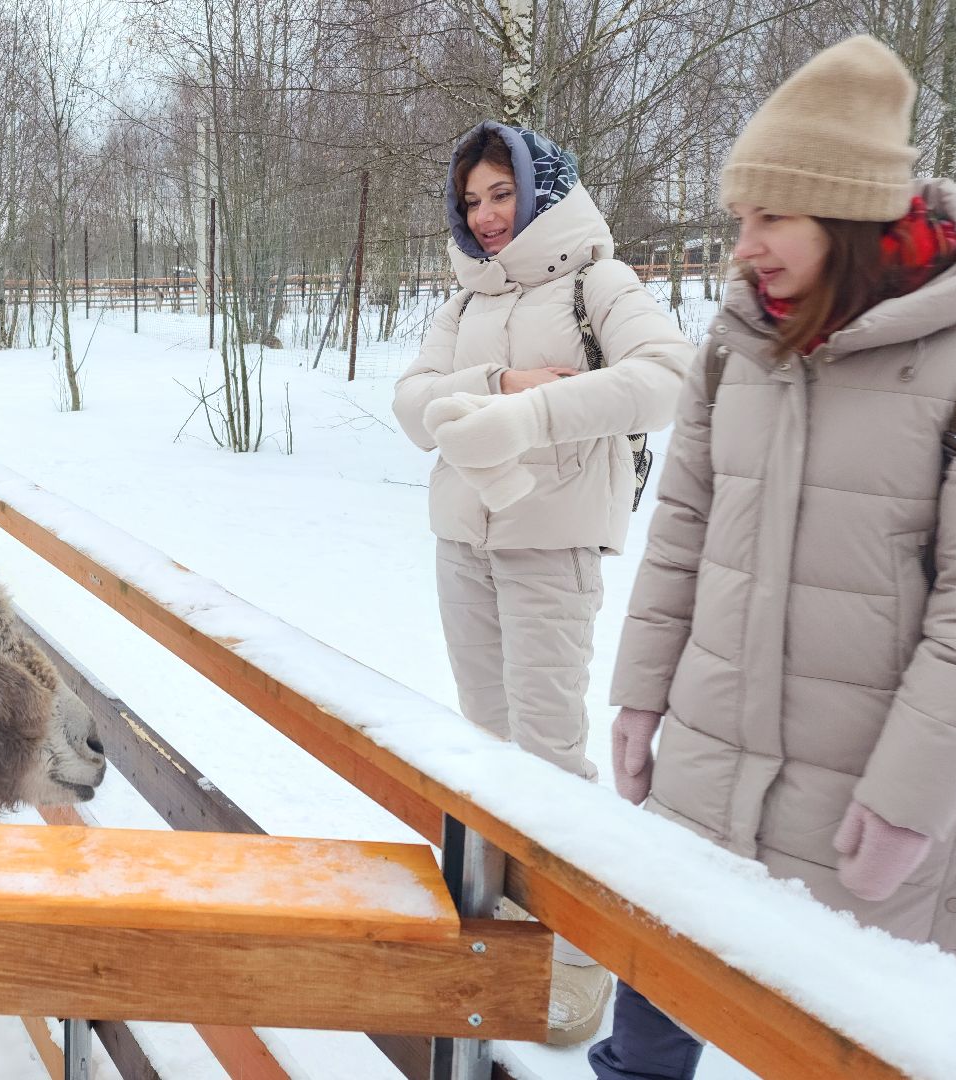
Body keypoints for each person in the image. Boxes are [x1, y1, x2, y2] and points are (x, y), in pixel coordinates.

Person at [595, 36, 956, 1078]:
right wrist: (639, 696)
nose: (743, 247)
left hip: (864, 808)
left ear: (847, 216)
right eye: (739, 216)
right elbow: (678, 535)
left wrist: (908, 800)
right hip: (703, 775)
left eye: (771, 217)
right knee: (644, 1042)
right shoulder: (734, 353)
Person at [392, 121, 692, 1045]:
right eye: (471, 200)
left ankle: (578, 956)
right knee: (484, 739)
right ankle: (504, 924)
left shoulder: (598, 280)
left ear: (541, 190)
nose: (486, 215)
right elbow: (410, 404)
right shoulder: (465, 296)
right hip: (461, 539)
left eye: (501, 193)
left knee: (550, 756)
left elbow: (667, 379)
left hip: (551, 543)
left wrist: (530, 412)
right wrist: (501, 379)